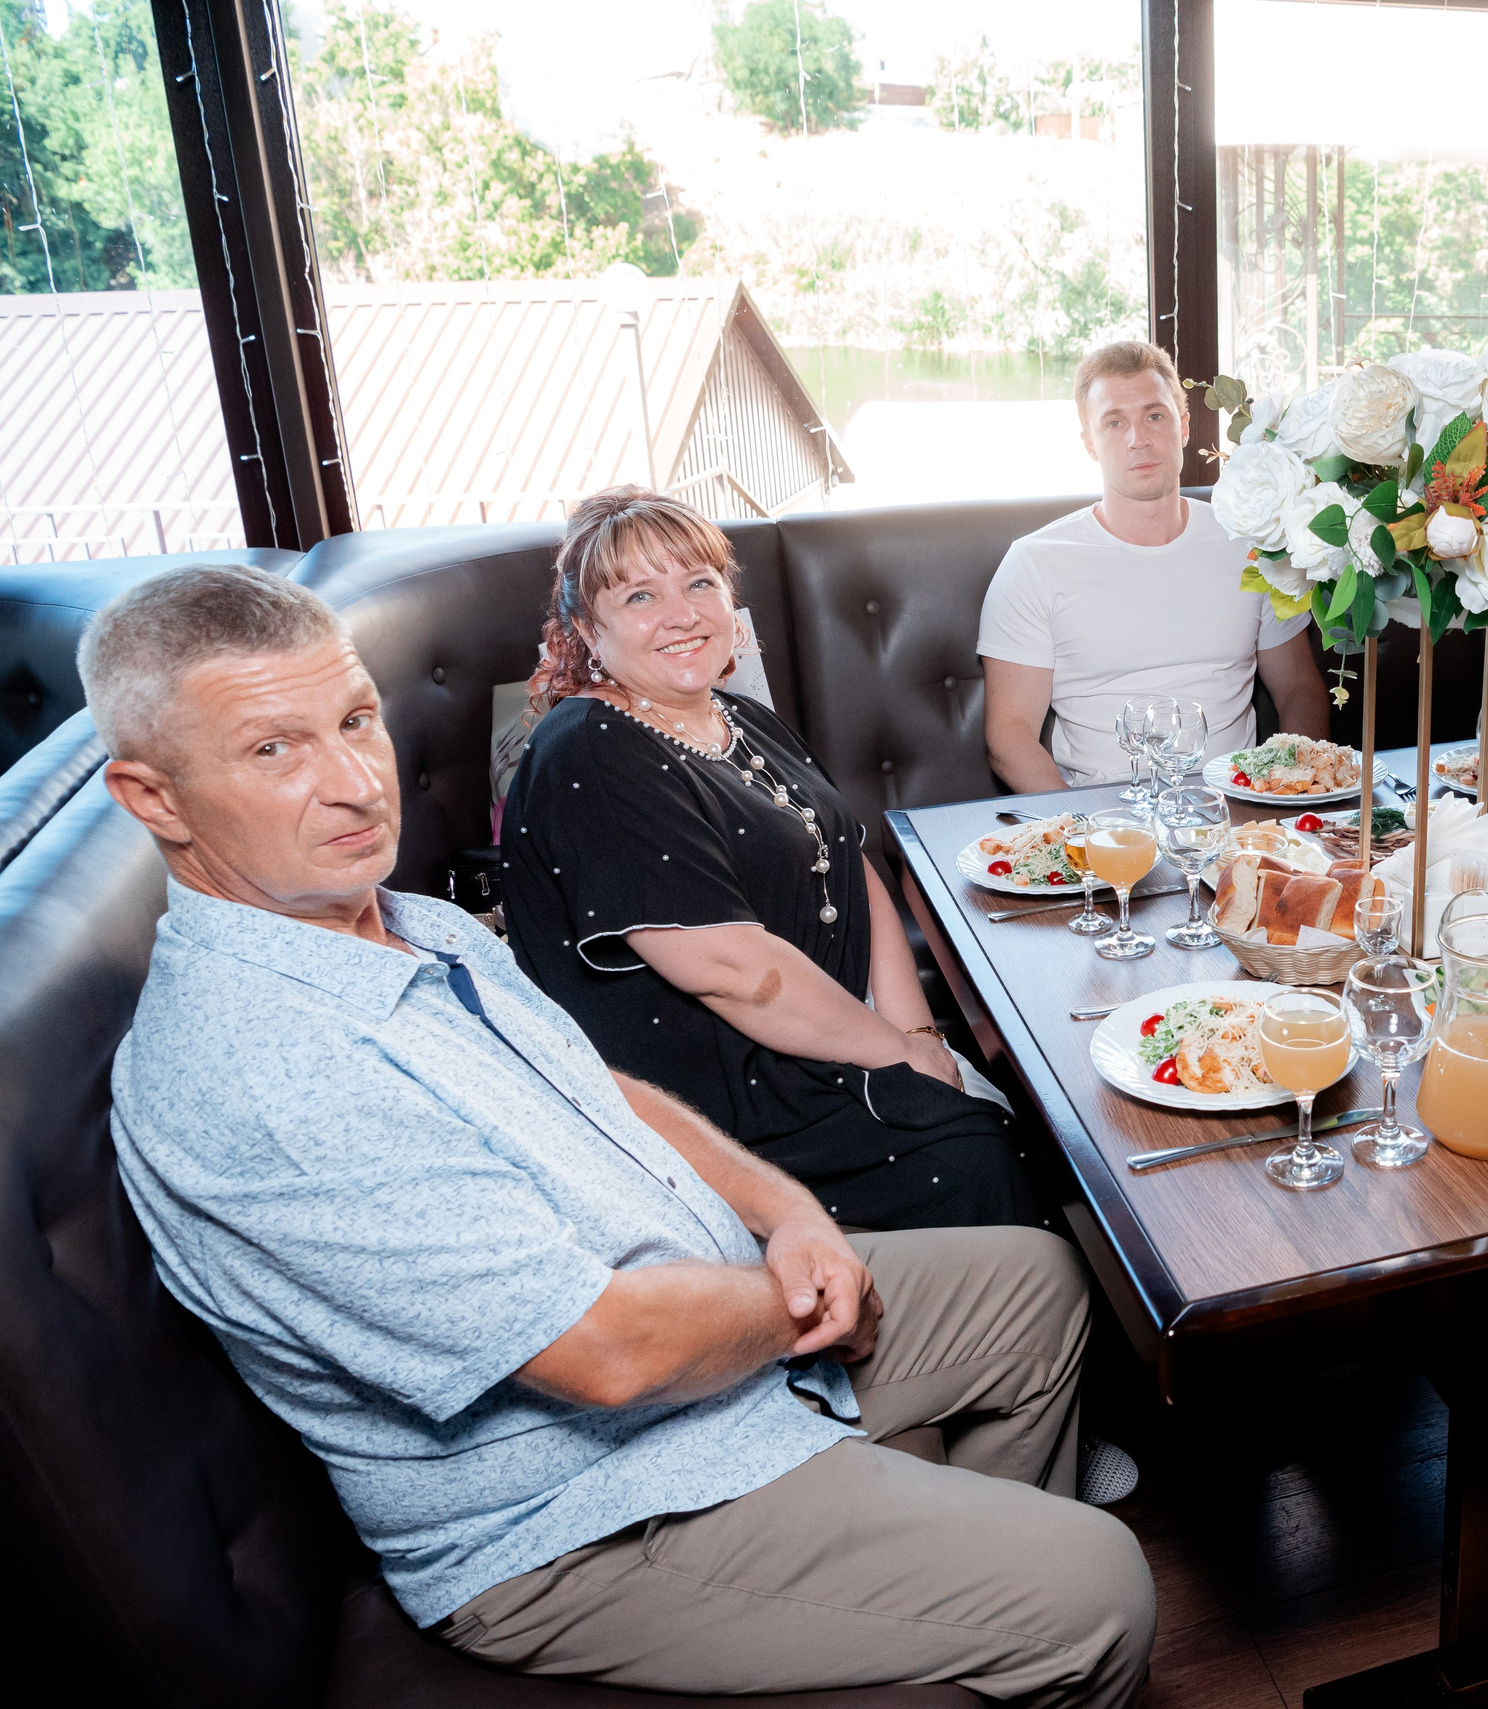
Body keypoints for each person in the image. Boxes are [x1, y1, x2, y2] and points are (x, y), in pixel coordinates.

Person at [85, 565, 1155, 1702]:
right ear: (153, 797)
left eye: (354, 720)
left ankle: (964, 1610)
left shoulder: (409, 921)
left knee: (1036, 1281)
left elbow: (598, 1084)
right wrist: (799, 1285)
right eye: (273, 750)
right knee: (1100, 1582)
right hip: (588, 1513)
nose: (356, 783)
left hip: (711, 1335)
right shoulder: (261, 1072)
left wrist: (786, 1211)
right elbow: (607, 1354)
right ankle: (1018, 1610)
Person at [506, 487, 1044, 1233]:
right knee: (986, 1158)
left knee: (1041, 1118)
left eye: (700, 583)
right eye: (639, 595)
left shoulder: (740, 717)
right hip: (727, 1108)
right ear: (587, 632)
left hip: (829, 1051)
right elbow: (730, 971)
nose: (682, 612)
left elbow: (855, 864)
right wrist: (894, 1055)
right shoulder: (592, 751)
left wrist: (920, 1040)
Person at [980, 340, 1329, 792]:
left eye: (1154, 415)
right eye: (1113, 422)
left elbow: (1299, 687)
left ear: (1184, 426)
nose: (1137, 438)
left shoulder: (1248, 544)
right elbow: (1008, 736)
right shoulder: (1034, 563)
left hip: (1237, 808)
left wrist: (1285, 793)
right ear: (1089, 443)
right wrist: (1080, 834)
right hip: (1101, 820)